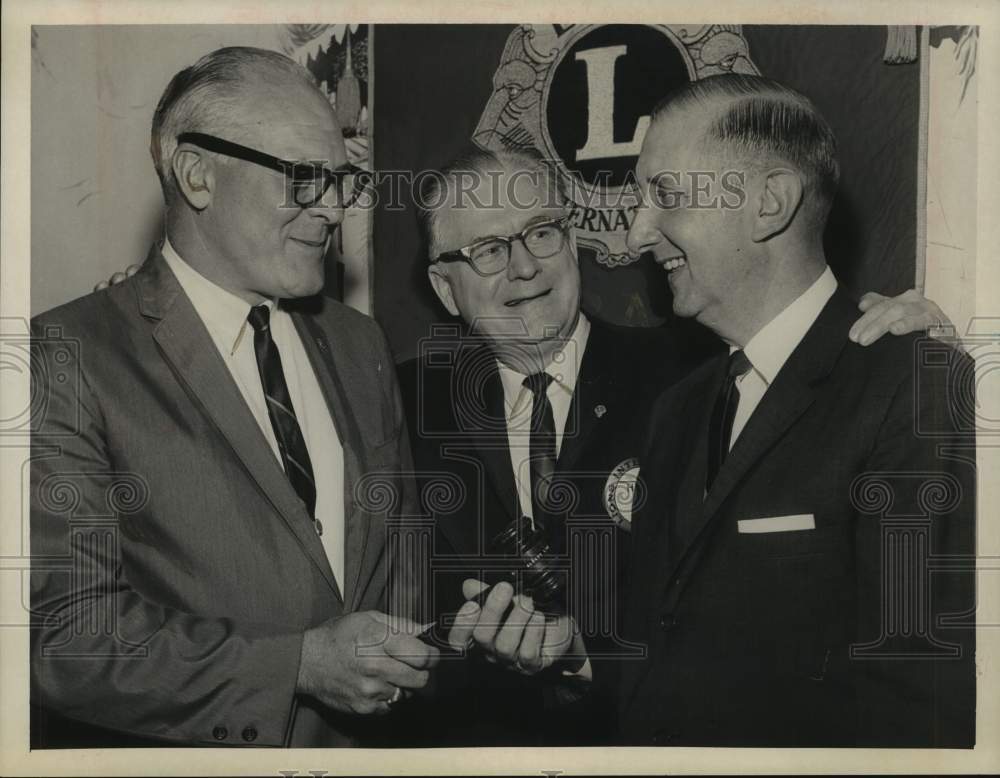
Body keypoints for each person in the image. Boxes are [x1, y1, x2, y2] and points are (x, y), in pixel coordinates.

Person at [390, 144, 952, 746]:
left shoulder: (695, 373)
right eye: (489, 250)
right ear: (445, 289)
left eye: (542, 232)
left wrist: (915, 341)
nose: (525, 267)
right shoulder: (395, 403)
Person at [30, 46, 437, 748]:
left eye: (343, 180)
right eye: (307, 178)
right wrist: (297, 668)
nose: (335, 208)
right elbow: (68, 639)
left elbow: (400, 551)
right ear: (197, 175)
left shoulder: (359, 344)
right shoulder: (64, 356)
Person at [620, 73, 976, 747]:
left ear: (770, 203)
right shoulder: (678, 409)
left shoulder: (911, 385)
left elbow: (918, 696)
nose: (638, 234)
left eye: (664, 194)